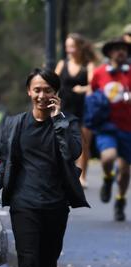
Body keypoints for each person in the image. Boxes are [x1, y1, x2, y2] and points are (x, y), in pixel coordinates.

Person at [0, 68, 88, 267]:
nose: (41, 95)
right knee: (28, 259)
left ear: (56, 94)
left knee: (48, 261)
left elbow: (72, 152)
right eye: (37, 89)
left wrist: (57, 119)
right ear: (28, 92)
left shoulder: (67, 123)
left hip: (56, 203)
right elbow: (5, 160)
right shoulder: (15, 124)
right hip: (24, 202)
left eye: (47, 90)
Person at [91, 38, 131, 221]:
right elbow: (93, 96)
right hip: (107, 126)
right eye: (116, 49)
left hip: (128, 128)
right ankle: (108, 178)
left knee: (125, 171)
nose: (120, 52)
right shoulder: (99, 73)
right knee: (108, 158)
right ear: (109, 53)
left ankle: (120, 200)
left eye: (123, 49)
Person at [55, 33, 97, 188]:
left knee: (84, 143)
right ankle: (66, 174)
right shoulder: (62, 64)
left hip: (85, 108)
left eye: (72, 47)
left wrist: (83, 88)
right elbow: (53, 82)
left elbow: (94, 85)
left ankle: (82, 177)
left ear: (79, 48)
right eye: (67, 47)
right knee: (65, 142)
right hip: (66, 107)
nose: (69, 50)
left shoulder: (88, 65)